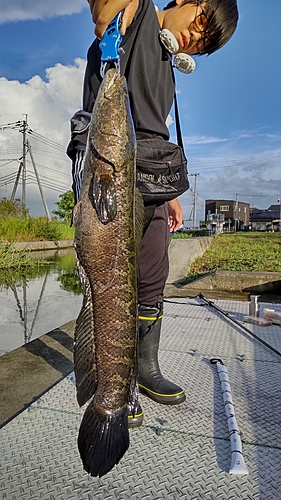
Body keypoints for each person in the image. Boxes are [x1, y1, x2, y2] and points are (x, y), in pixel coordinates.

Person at [68, 0, 238, 427]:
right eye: (201, 23)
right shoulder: (137, 13)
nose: (195, 40)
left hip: (152, 179)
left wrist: (173, 195)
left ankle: (143, 368)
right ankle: (114, 385)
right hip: (109, 167)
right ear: (184, 0)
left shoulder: (167, 61)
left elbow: (156, 130)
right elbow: (106, 11)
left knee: (152, 275)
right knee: (108, 278)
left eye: (204, 44)